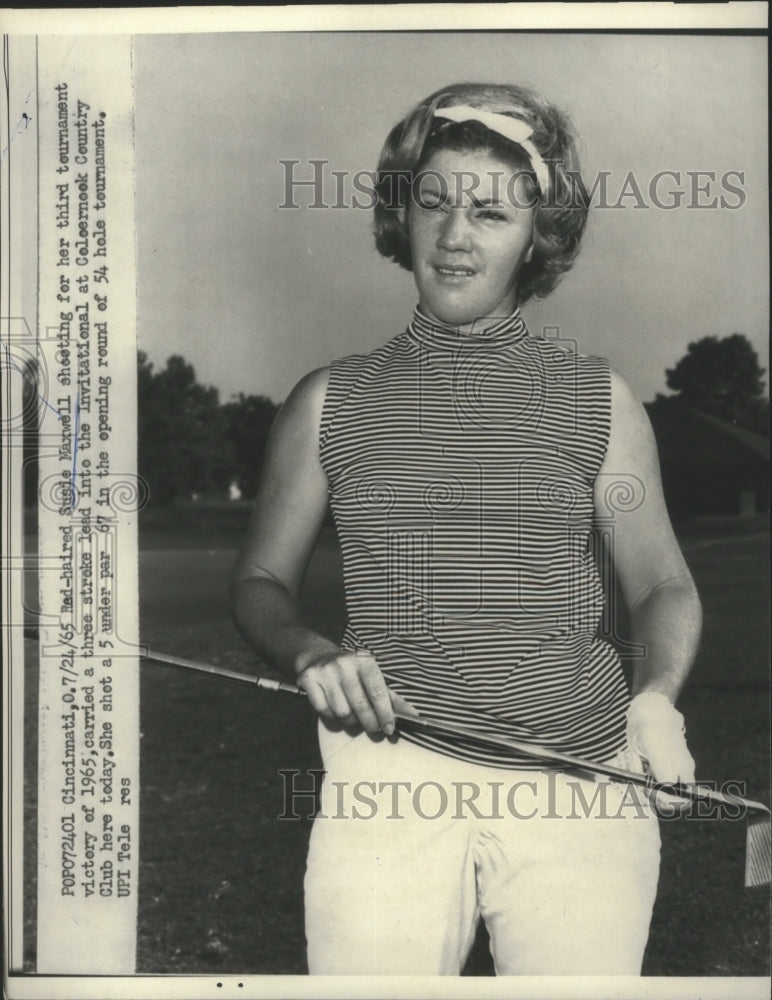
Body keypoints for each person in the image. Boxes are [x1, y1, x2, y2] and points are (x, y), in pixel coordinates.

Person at [231, 82, 702, 976]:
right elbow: (258, 580)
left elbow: (661, 584)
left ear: (538, 237)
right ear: (400, 215)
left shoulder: (598, 400)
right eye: (435, 204)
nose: (455, 237)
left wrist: (658, 696)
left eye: (491, 213)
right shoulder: (328, 401)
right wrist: (306, 650)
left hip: (581, 782)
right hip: (389, 776)